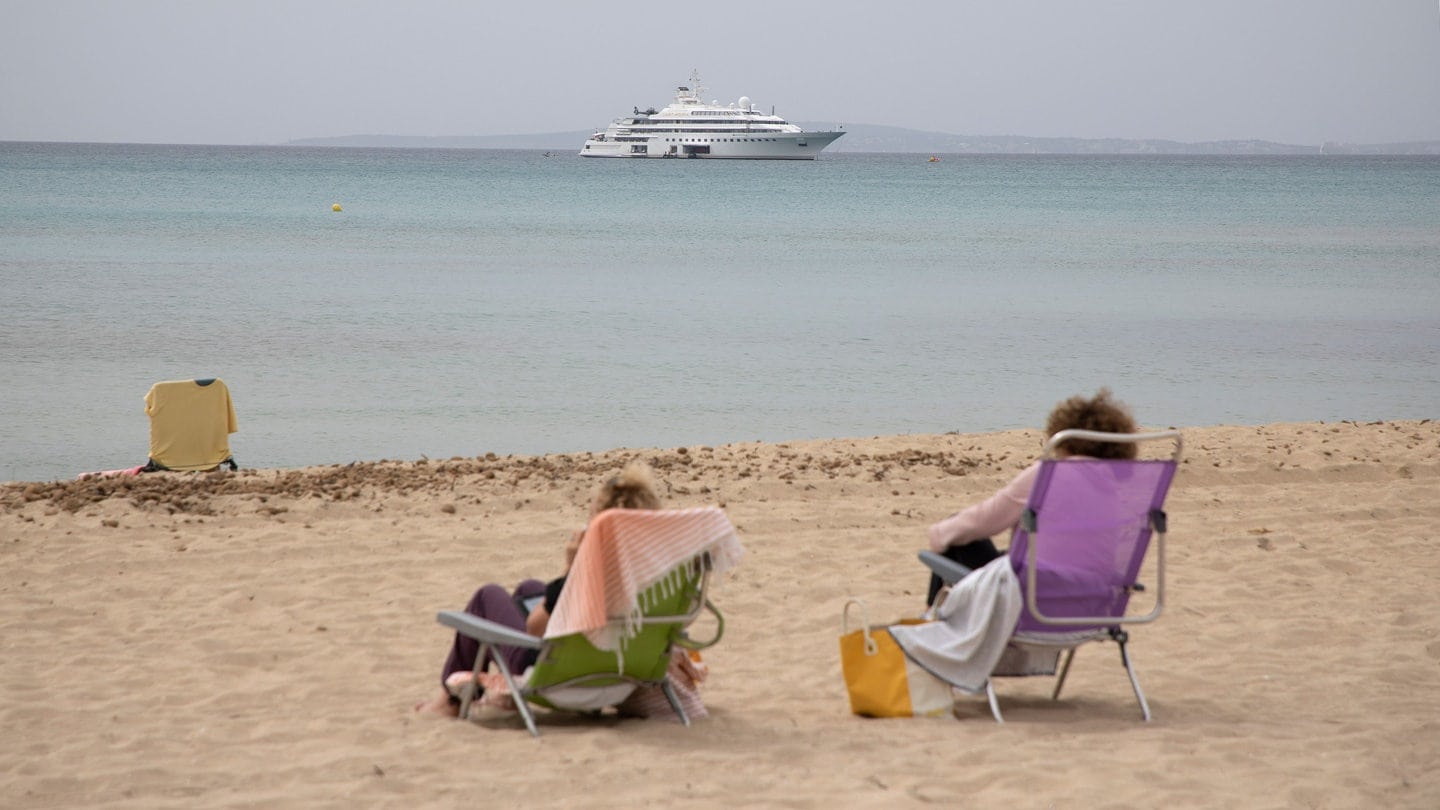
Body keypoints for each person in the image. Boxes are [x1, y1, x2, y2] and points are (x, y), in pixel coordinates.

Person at [415, 461, 664, 716]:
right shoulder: (657, 577)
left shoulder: (586, 578)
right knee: (529, 589)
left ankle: (451, 701)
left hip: (564, 675)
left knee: (486, 596)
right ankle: (506, 699)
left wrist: (571, 568)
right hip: (624, 672)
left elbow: (536, 627)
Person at [924, 388, 1138, 606]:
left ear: (1064, 436)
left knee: (956, 535)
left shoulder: (1047, 475)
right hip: (1089, 599)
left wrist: (938, 534)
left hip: (1033, 597)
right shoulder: (1111, 486)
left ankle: (931, 617)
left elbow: (984, 520)